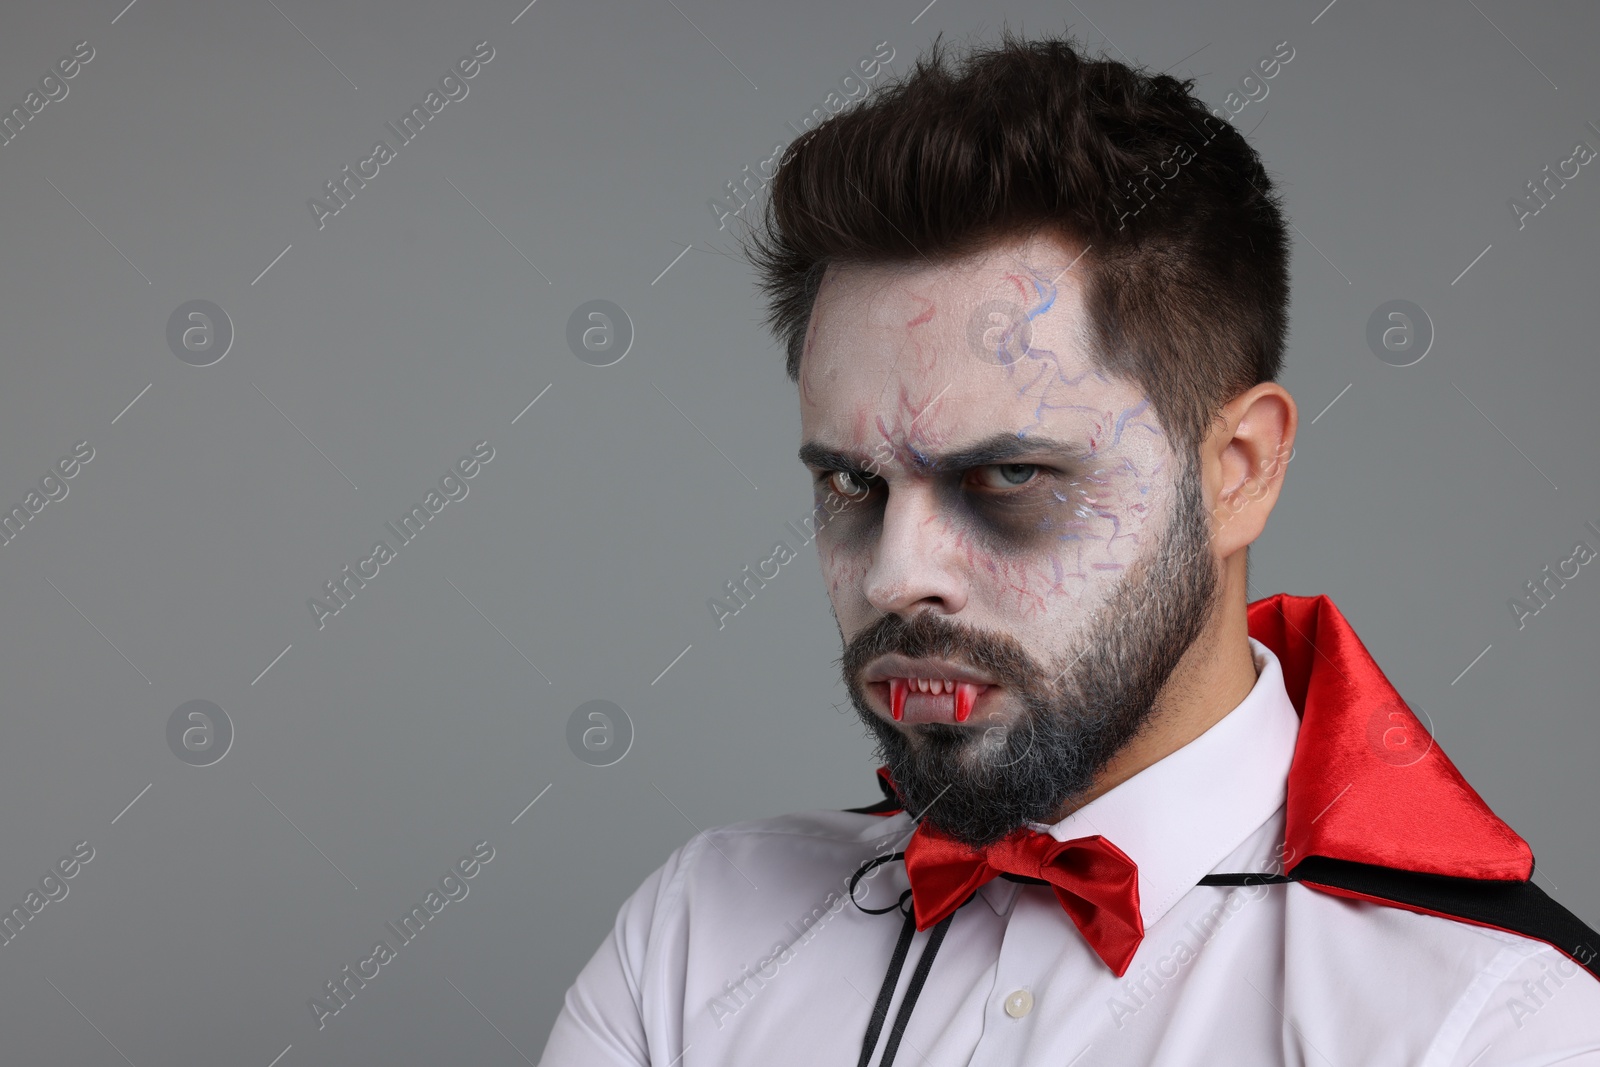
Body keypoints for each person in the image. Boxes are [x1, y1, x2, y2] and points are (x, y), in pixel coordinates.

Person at [539, 29, 1600, 1066]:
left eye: (1008, 477)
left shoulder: (1501, 1021)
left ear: (1236, 468)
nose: (894, 573)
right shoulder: (693, 938)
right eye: (851, 483)